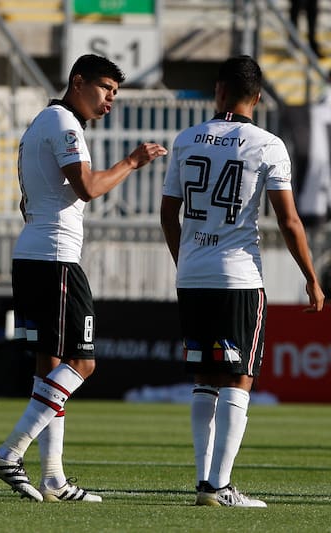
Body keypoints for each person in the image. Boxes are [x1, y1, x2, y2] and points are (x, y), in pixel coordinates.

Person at [0, 54, 167, 502]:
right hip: (55, 260)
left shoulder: (40, 124)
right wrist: (132, 161)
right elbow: (86, 186)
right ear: (78, 81)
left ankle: (52, 477)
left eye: (115, 94)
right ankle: (10, 452)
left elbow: (29, 203)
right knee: (82, 363)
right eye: (105, 88)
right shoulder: (64, 123)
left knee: (49, 368)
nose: (109, 101)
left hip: (32, 255)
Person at [160, 55, 324, 508]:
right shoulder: (267, 144)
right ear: (257, 96)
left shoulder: (185, 139)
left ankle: (203, 480)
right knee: (239, 378)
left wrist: (185, 260)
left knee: (205, 377)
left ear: (218, 90)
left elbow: (168, 213)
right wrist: (312, 278)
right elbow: (289, 220)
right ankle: (218, 486)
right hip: (238, 276)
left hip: (192, 275)